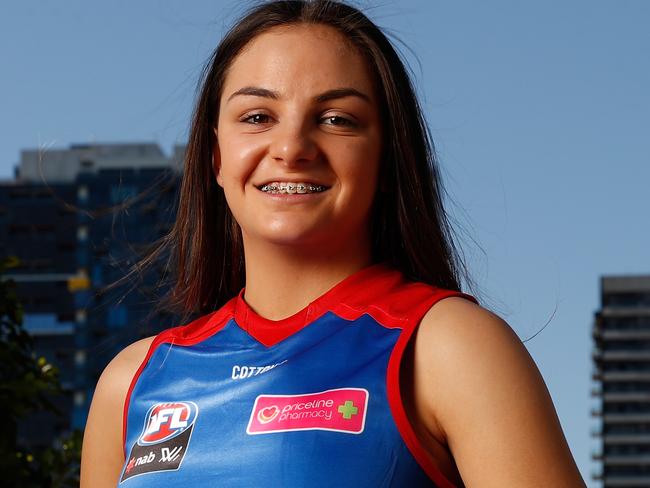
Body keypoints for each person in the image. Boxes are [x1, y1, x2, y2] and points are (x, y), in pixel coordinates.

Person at [81, 1, 586, 486]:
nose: (291, 148)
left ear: (388, 160)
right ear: (216, 157)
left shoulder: (448, 348)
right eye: (257, 117)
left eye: (337, 119)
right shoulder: (133, 383)